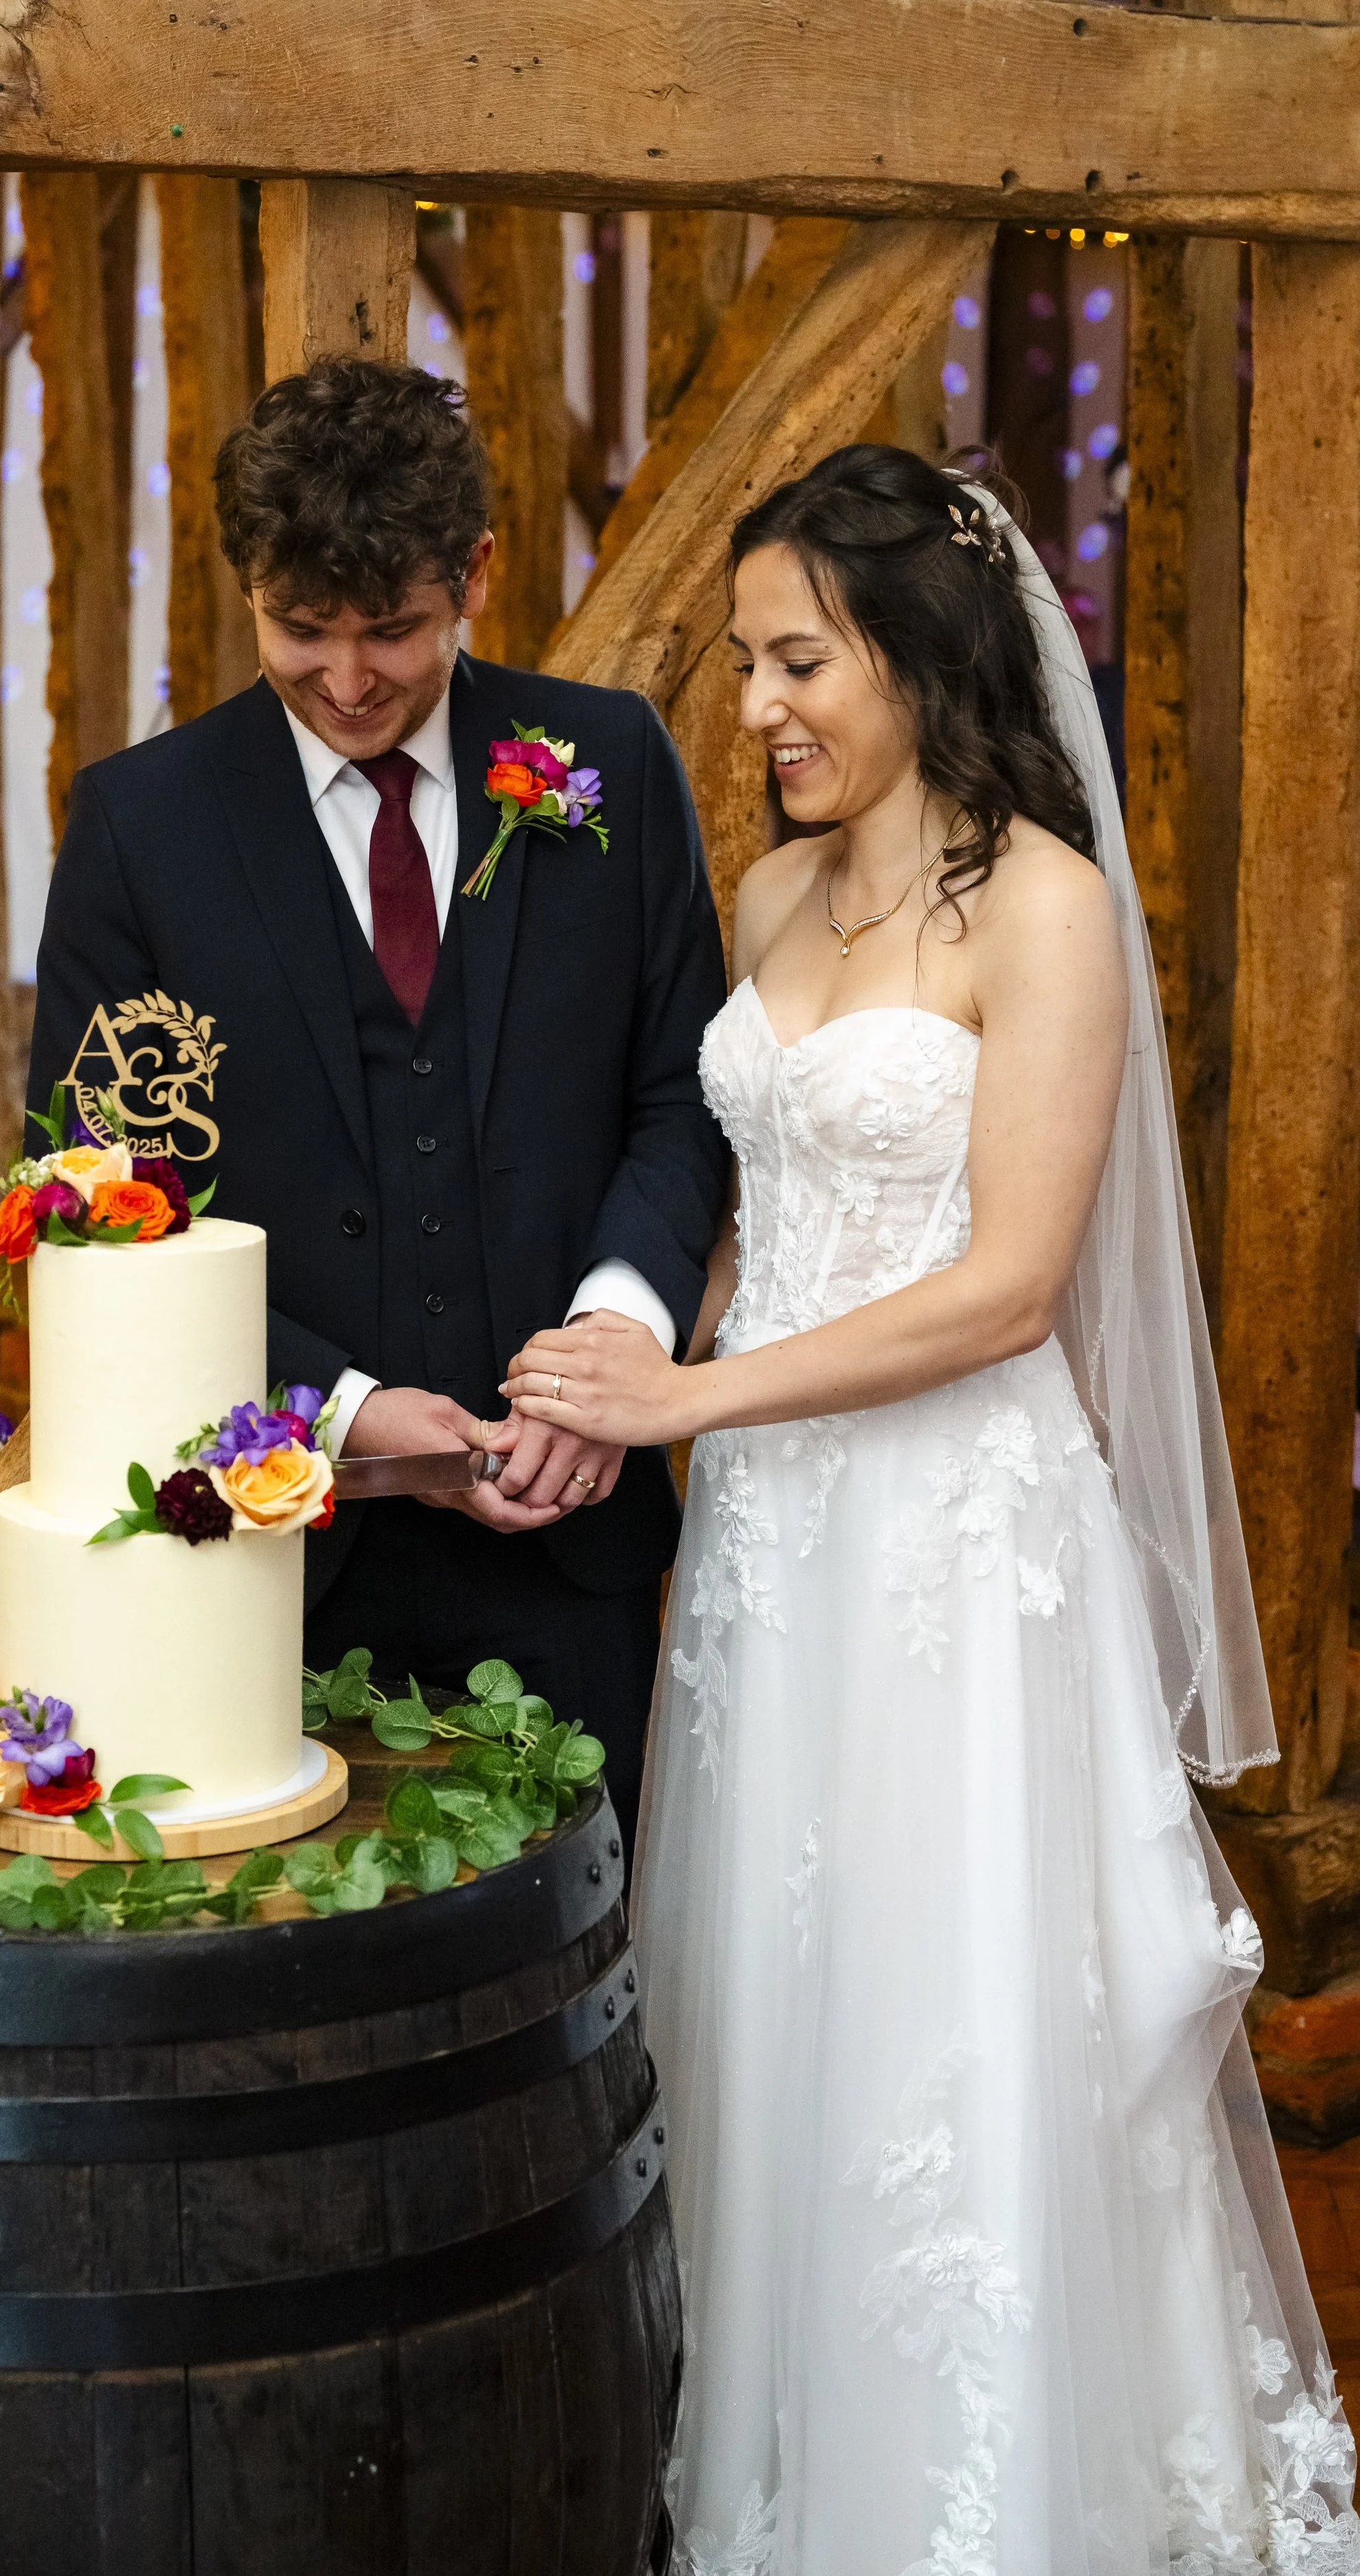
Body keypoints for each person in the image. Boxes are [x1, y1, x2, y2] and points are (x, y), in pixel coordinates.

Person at [503, 445, 1359, 2568]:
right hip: (772, 1566)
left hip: (952, 1558)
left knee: (943, 2033)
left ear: (914, 648)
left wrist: (690, 1392)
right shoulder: (780, 895)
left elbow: (998, 1288)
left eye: (799, 658)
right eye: (742, 665)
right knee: (767, 2013)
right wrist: (601, 1375)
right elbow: (758, 1208)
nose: (759, 706)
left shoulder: (1043, 905)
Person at [24, 357, 729, 1857]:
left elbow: (682, 1095)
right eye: (301, 630)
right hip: (268, 1568)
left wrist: (616, 1337)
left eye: (393, 631)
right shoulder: (140, 829)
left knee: (574, 1980)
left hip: (573, 1545)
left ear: (472, 574)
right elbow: (92, 1192)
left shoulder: (609, 766)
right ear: (246, 589)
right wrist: (339, 1417)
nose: (347, 681)